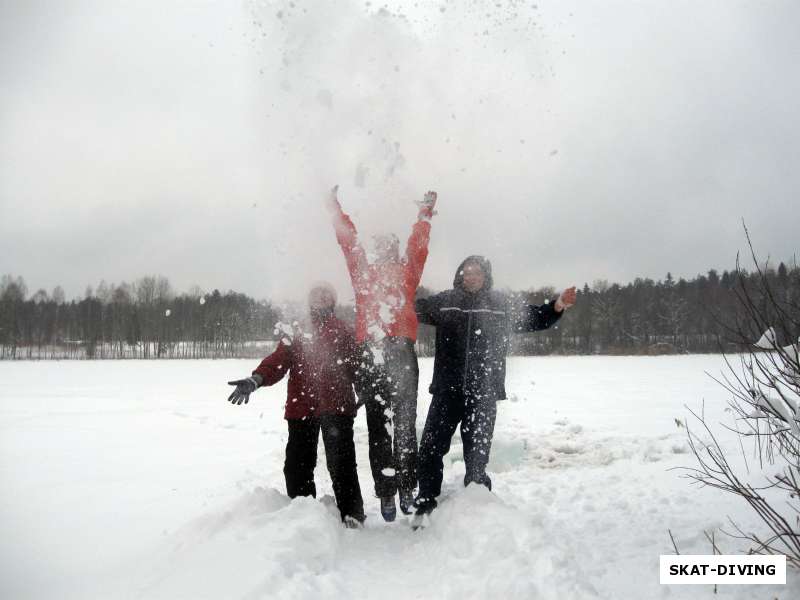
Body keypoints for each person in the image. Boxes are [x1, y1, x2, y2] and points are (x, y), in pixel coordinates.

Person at [413, 255, 577, 520]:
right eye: (467, 272)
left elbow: (535, 317)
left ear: (485, 276)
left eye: (477, 272)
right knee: (431, 447)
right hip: (447, 390)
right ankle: (426, 500)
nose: (471, 276)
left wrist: (558, 305)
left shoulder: (500, 304)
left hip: (483, 392)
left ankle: (477, 504)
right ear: (460, 275)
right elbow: (412, 308)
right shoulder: (445, 301)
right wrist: (389, 299)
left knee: (477, 454)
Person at [326, 185, 437, 521]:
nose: (385, 248)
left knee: (404, 425)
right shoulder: (363, 274)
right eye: (381, 245)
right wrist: (335, 209)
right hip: (370, 354)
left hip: (401, 351)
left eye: (390, 244)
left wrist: (424, 215)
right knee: (379, 428)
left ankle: (407, 488)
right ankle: (387, 492)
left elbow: (418, 248)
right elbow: (349, 244)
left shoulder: (407, 272)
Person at [226, 283, 366, 528]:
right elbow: (278, 362)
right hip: (302, 407)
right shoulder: (298, 330)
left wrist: (366, 386)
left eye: (325, 297)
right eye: (315, 297)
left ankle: (352, 514)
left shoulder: (344, 331)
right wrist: (256, 379)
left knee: (342, 464)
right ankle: (303, 515)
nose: (320, 301)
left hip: (337, 407)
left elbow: (356, 365)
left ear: (332, 302)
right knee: (296, 466)